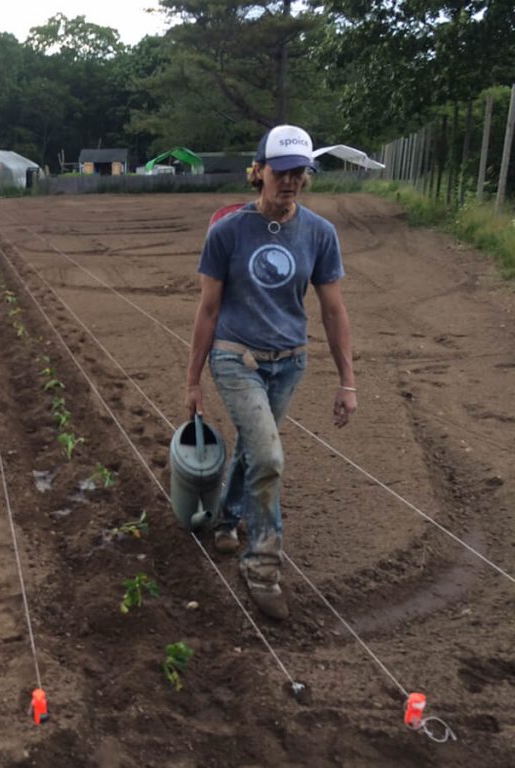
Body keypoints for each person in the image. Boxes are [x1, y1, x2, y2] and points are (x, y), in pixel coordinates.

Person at [184, 124, 357, 620]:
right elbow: (208, 310)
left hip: (290, 361)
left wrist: (348, 381)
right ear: (258, 171)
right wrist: (192, 381)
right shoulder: (227, 232)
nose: (290, 182)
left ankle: (225, 518)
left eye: (299, 173)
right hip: (234, 356)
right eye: (280, 172)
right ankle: (261, 567)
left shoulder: (320, 234)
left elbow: (333, 311)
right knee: (270, 456)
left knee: (252, 448)